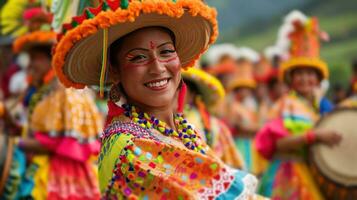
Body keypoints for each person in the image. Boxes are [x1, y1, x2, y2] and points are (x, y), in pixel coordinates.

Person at [52, 0, 261, 199]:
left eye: (167, 52)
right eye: (139, 57)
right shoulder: (132, 147)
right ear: (114, 71)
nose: (158, 67)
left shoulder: (182, 129)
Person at [5, 6, 102, 199]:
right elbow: (40, 132)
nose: (30, 65)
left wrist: (15, 144)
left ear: (51, 60)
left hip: (62, 178)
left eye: (35, 59)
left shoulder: (66, 91)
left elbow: (57, 142)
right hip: (40, 169)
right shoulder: (44, 90)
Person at [255, 11, 342, 199]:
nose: (305, 79)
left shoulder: (315, 106)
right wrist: (315, 136)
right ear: (291, 78)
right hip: (286, 176)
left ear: (318, 79)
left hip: (308, 171)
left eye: (310, 74)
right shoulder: (285, 104)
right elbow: (279, 144)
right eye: (299, 74)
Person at [182, 67, 245, 169]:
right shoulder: (163, 118)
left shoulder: (213, 124)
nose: (174, 94)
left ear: (192, 95)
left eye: (180, 89)